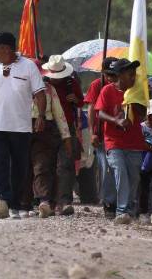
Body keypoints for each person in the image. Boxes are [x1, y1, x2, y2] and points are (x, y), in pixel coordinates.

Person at [0, 32, 46, 220]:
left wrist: (41, 116)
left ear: (7, 49)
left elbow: (40, 93)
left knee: (20, 167)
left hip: (21, 127)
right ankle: (1, 202)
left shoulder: (28, 66)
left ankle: (16, 205)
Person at [95, 58, 149, 224]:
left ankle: (131, 209)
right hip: (114, 142)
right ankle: (122, 211)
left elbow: (142, 114)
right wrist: (116, 120)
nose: (133, 77)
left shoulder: (137, 91)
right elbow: (100, 113)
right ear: (119, 75)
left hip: (134, 143)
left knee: (134, 178)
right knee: (121, 174)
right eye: (129, 74)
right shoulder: (107, 90)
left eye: (134, 74)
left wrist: (134, 100)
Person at [28, 62, 72, 218]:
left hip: (45, 128)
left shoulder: (48, 89)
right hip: (21, 128)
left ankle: (45, 201)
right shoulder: (17, 86)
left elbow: (59, 114)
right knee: (25, 166)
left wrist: (66, 137)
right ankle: (26, 202)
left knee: (43, 165)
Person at [40, 54, 83, 215]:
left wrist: (75, 99)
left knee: (66, 164)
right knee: (48, 164)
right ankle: (49, 201)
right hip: (49, 128)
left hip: (68, 128)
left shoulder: (71, 83)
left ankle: (65, 201)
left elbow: (81, 101)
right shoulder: (43, 84)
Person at [85, 56, 119, 219]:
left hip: (118, 134)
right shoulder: (96, 85)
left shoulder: (122, 86)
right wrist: (92, 132)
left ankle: (120, 201)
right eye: (109, 74)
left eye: (115, 74)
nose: (111, 78)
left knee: (117, 169)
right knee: (105, 168)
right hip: (101, 134)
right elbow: (91, 109)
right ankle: (109, 201)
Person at [140, 99, 152, 225]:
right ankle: (143, 212)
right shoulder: (142, 127)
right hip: (143, 163)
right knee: (143, 188)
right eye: (151, 116)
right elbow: (139, 142)